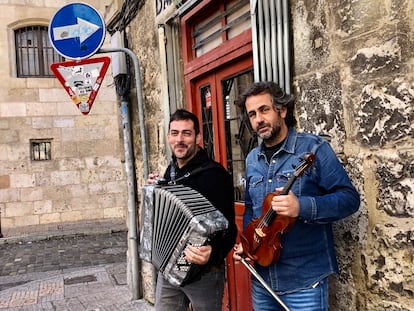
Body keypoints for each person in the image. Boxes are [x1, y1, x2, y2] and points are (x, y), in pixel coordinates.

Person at [232, 81, 360, 311]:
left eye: (264, 110)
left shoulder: (313, 148)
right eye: (252, 114)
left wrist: (301, 207)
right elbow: (251, 210)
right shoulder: (252, 159)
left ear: (282, 110)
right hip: (262, 281)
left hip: (304, 281)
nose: (258, 119)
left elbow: (349, 199)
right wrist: (247, 244)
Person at [147, 109, 238, 311]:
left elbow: (230, 230)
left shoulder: (215, 175)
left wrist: (212, 253)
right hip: (169, 267)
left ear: (198, 137)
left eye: (186, 133)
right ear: (169, 136)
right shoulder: (170, 173)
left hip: (204, 273)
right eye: (174, 133)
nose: (179, 139)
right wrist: (152, 193)